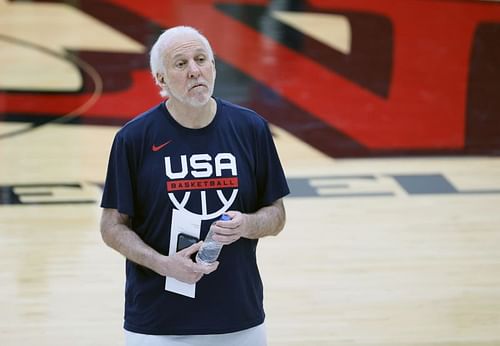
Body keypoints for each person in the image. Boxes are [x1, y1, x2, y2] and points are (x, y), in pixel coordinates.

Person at [99, 25, 289, 345]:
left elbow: (276, 215)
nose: (194, 71)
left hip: (238, 320)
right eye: (181, 64)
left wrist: (247, 224)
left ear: (214, 66)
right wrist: (163, 265)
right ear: (160, 79)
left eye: (201, 59)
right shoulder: (133, 140)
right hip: (157, 324)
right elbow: (111, 227)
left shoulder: (251, 128)